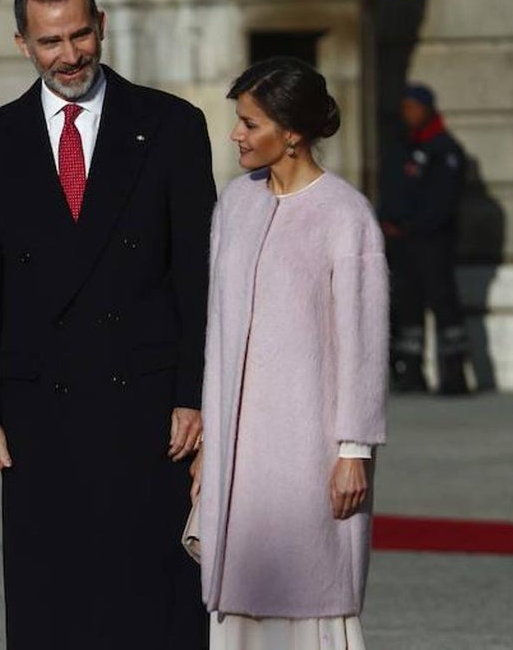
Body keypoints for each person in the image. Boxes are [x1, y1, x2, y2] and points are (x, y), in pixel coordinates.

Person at [0, 0, 214, 649]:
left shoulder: (171, 125)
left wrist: (195, 393)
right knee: (54, 602)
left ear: (101, 26)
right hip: (40, 409)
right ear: (22, 43)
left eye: (78, 35)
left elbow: (197, 271)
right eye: (49, 43)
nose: (68, 56)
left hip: (150, 404)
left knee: (151, 602)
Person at [193, 57, 388, 649]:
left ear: (292, 133)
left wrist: (353, 449)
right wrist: (207, 442)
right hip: (235, 448)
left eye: (250, 124)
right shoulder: (234, 204)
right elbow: (217, 331)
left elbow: (364, 343)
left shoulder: (346, 216)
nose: (236, 135)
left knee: (313, 590)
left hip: (310, 448)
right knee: (238, 594)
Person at [379, 83, 469, 394]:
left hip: (432, 242)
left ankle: (454, 374)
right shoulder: (400, 146)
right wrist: (388, 222)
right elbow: (390, 190)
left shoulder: (444, 150)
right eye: (405, 107)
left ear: (427, 108)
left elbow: (443, 200)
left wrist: (414, 226)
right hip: (401, 243)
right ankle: (411, 372)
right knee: (407, 308)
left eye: (413, 107)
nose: (408, 113)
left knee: (444, 306)